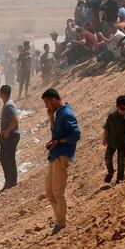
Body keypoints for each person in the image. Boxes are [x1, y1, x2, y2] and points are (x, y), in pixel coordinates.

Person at [41, 89, 80, 236]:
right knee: (49, 191)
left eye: (46, 102)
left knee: (57, 191)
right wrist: (51, 118)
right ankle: (60, 219)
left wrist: (59, 142)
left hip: (62, 155)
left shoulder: (67, 114)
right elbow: (55, 133)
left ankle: (61, 222)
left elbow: (76, 135)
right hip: (54, 154)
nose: (46, 106)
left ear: (52, 100)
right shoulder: (58, 113)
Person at [102, 95, 125, 184]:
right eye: (122, 108)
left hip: (122, 144)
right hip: (111, 142)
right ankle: (110, 172)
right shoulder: (111, 116)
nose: (124, 111)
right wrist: (105, 139)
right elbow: (106, 128)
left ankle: (120, 178)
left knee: (121, 162)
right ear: (117, 106)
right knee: (107, 158)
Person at [0, 85, 20, 191]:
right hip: (8, 135)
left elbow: (15, 120)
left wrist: (7, 131)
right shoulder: (7, 104)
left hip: (11, 135)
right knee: (3, 158)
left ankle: (12, 182)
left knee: (9, 159)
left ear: (2, 94)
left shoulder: (8, 105)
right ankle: (9, 181)